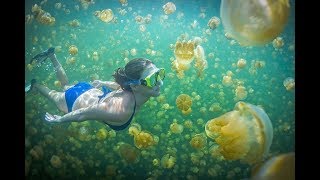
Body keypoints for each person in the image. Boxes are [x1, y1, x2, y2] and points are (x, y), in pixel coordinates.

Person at [26, 47, 165, 131]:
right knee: (54, 95)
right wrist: (60, 120)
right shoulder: (120, 111)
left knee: (65, 85)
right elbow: (84, 113)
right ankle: (34, 85)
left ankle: (52, 55)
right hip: (74, 101)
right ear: (134, 85)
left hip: (89, 90)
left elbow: (120, 87)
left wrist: (103, 82)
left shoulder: (131, 88)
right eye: (152, 79)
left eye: (159, 74)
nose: (159, 82)